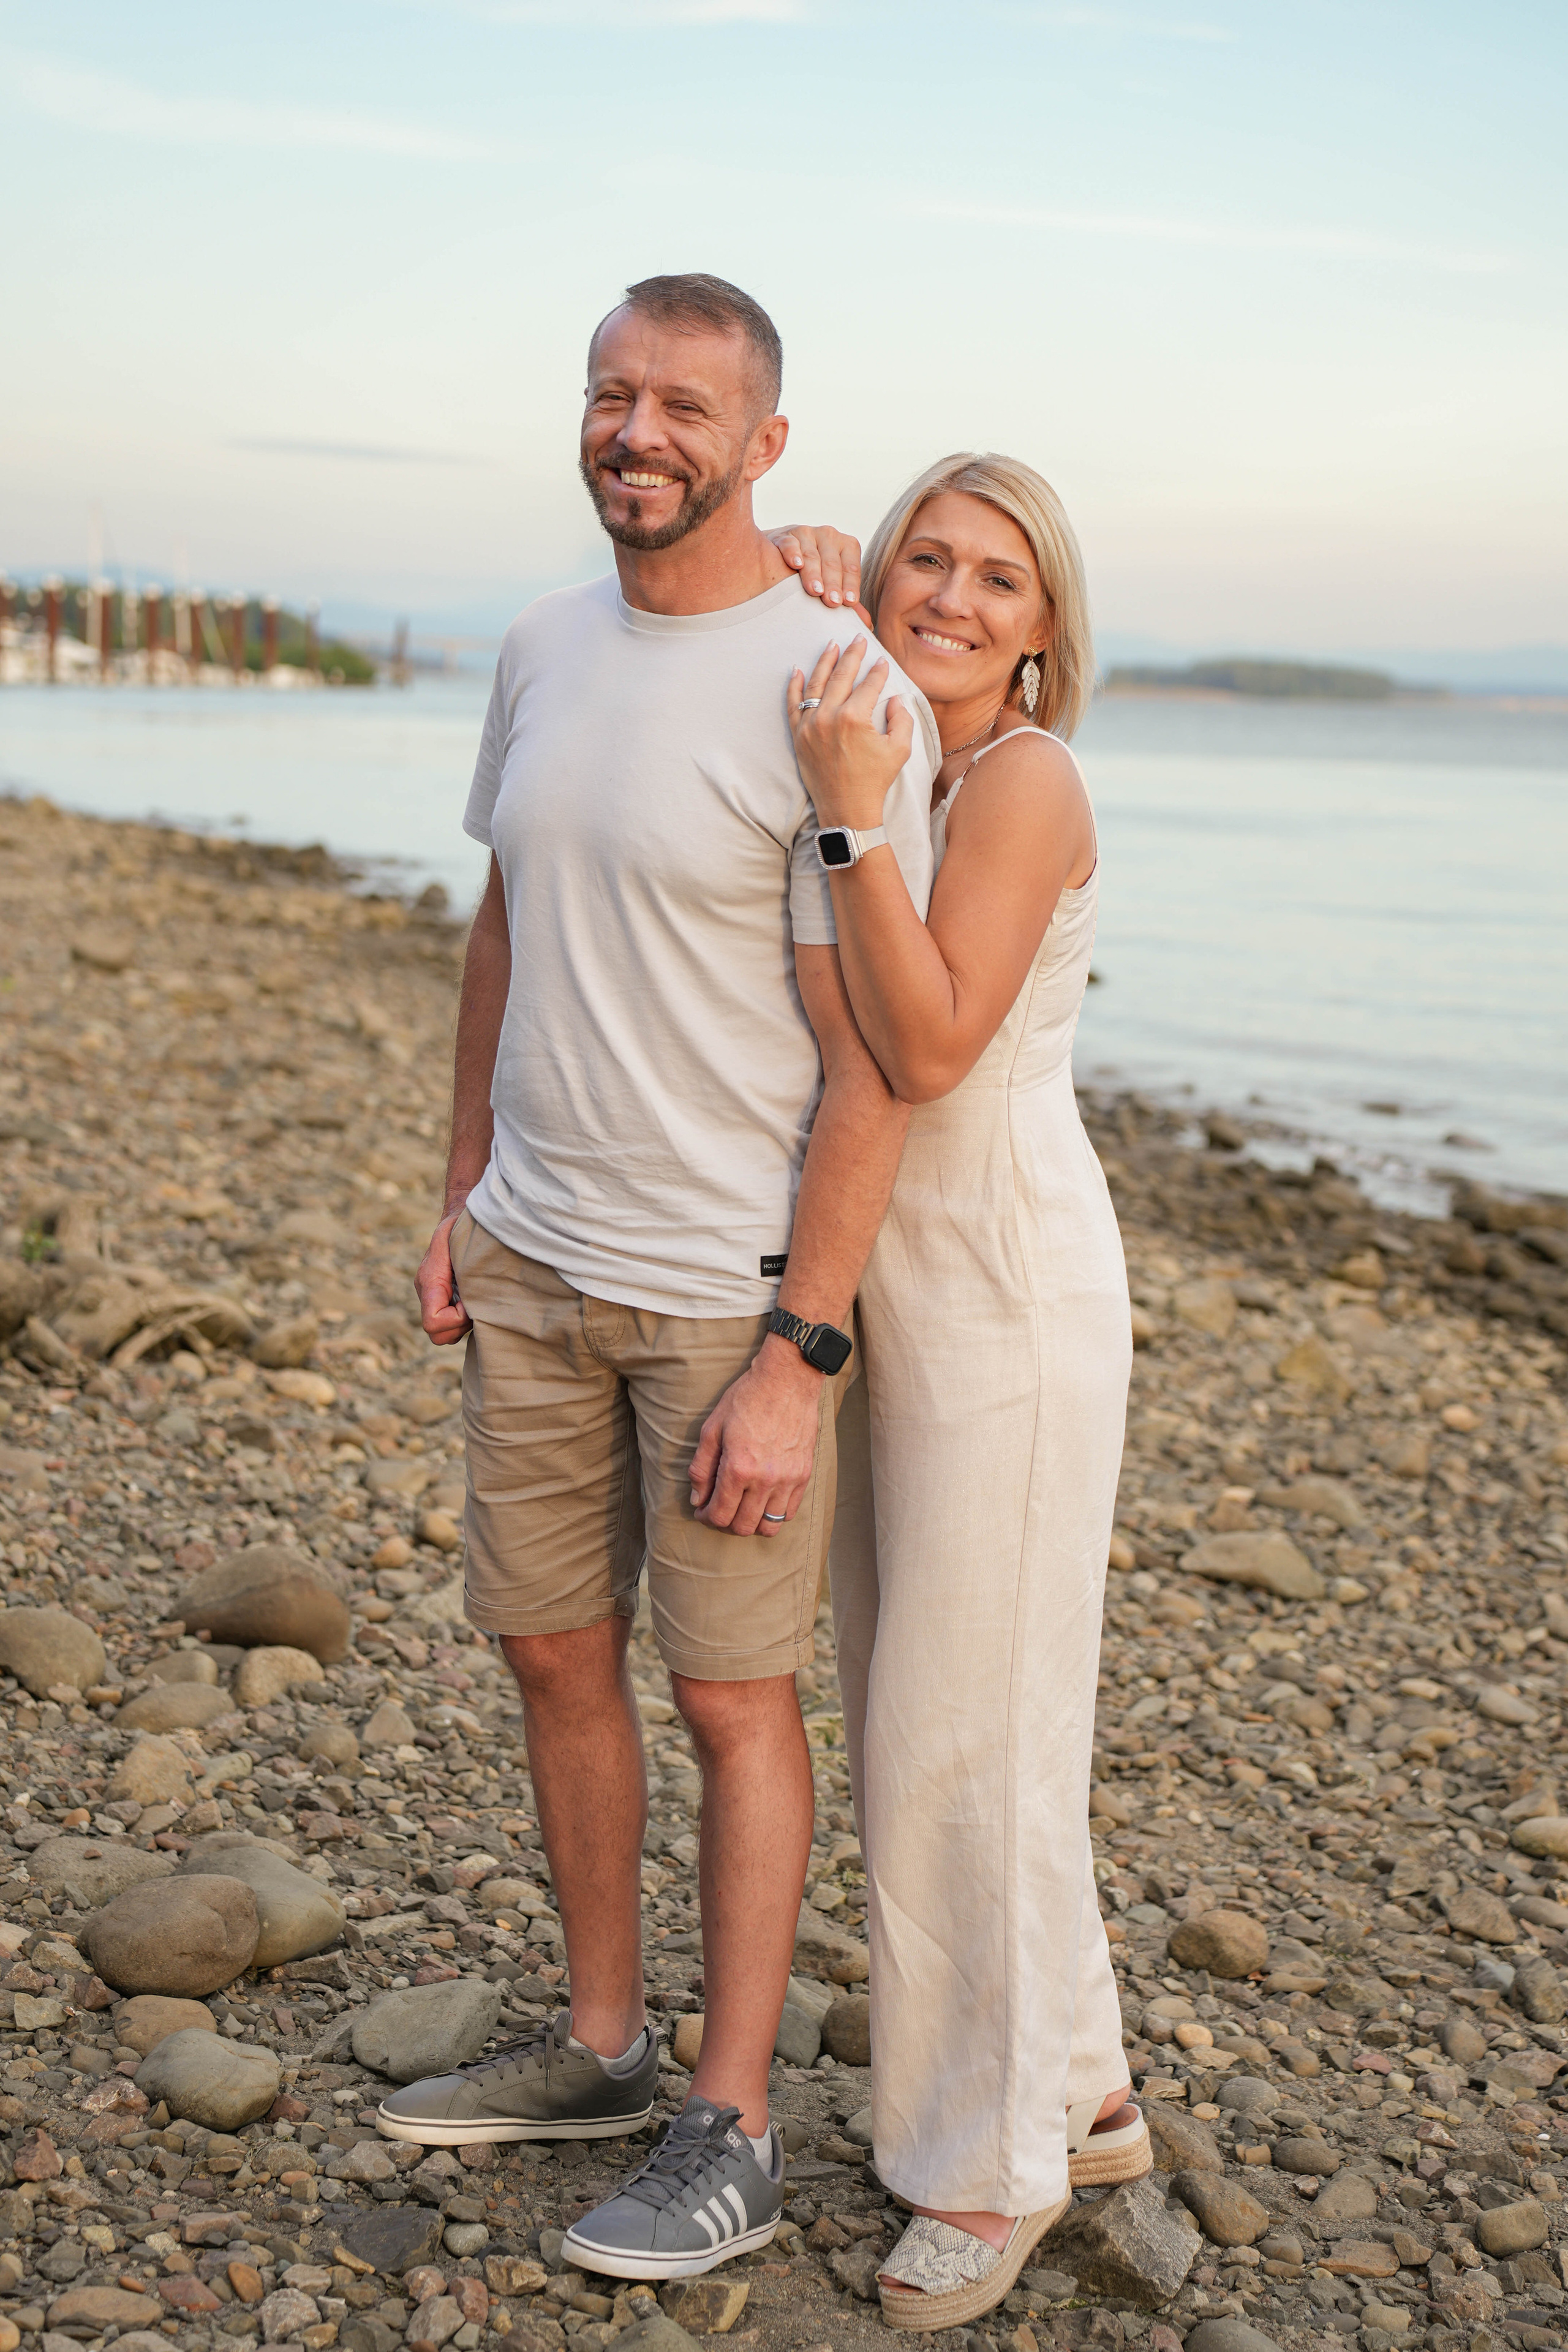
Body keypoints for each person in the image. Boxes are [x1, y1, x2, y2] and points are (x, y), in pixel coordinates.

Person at [380, 275, 939, 2282]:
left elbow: (877, 1054)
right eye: (614, 394)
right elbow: (507, 923)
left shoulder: (835, 686)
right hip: (536, 1257)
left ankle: (736, 2119)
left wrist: (805, 1346)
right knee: (547, 1654)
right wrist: (462, 1189)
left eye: (686, 405)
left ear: (766, 443)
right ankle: (604, 2050)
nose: (639, 432)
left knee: (727, 1695)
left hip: (724, 1293)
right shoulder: (541, 644)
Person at [772, 457, 1144, 2331]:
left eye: (1001, 578)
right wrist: (807, 575)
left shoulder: (1019, 781)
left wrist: (854, 819)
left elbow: (924, 1043)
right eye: (927, 556)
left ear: (1047, 629)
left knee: (952, 1737)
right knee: (940, 1705)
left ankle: (986, 2172)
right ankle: (1078, 2081)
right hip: (884, 1297)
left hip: (1006, 1294)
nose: (956, 596)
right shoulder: (888, 731)